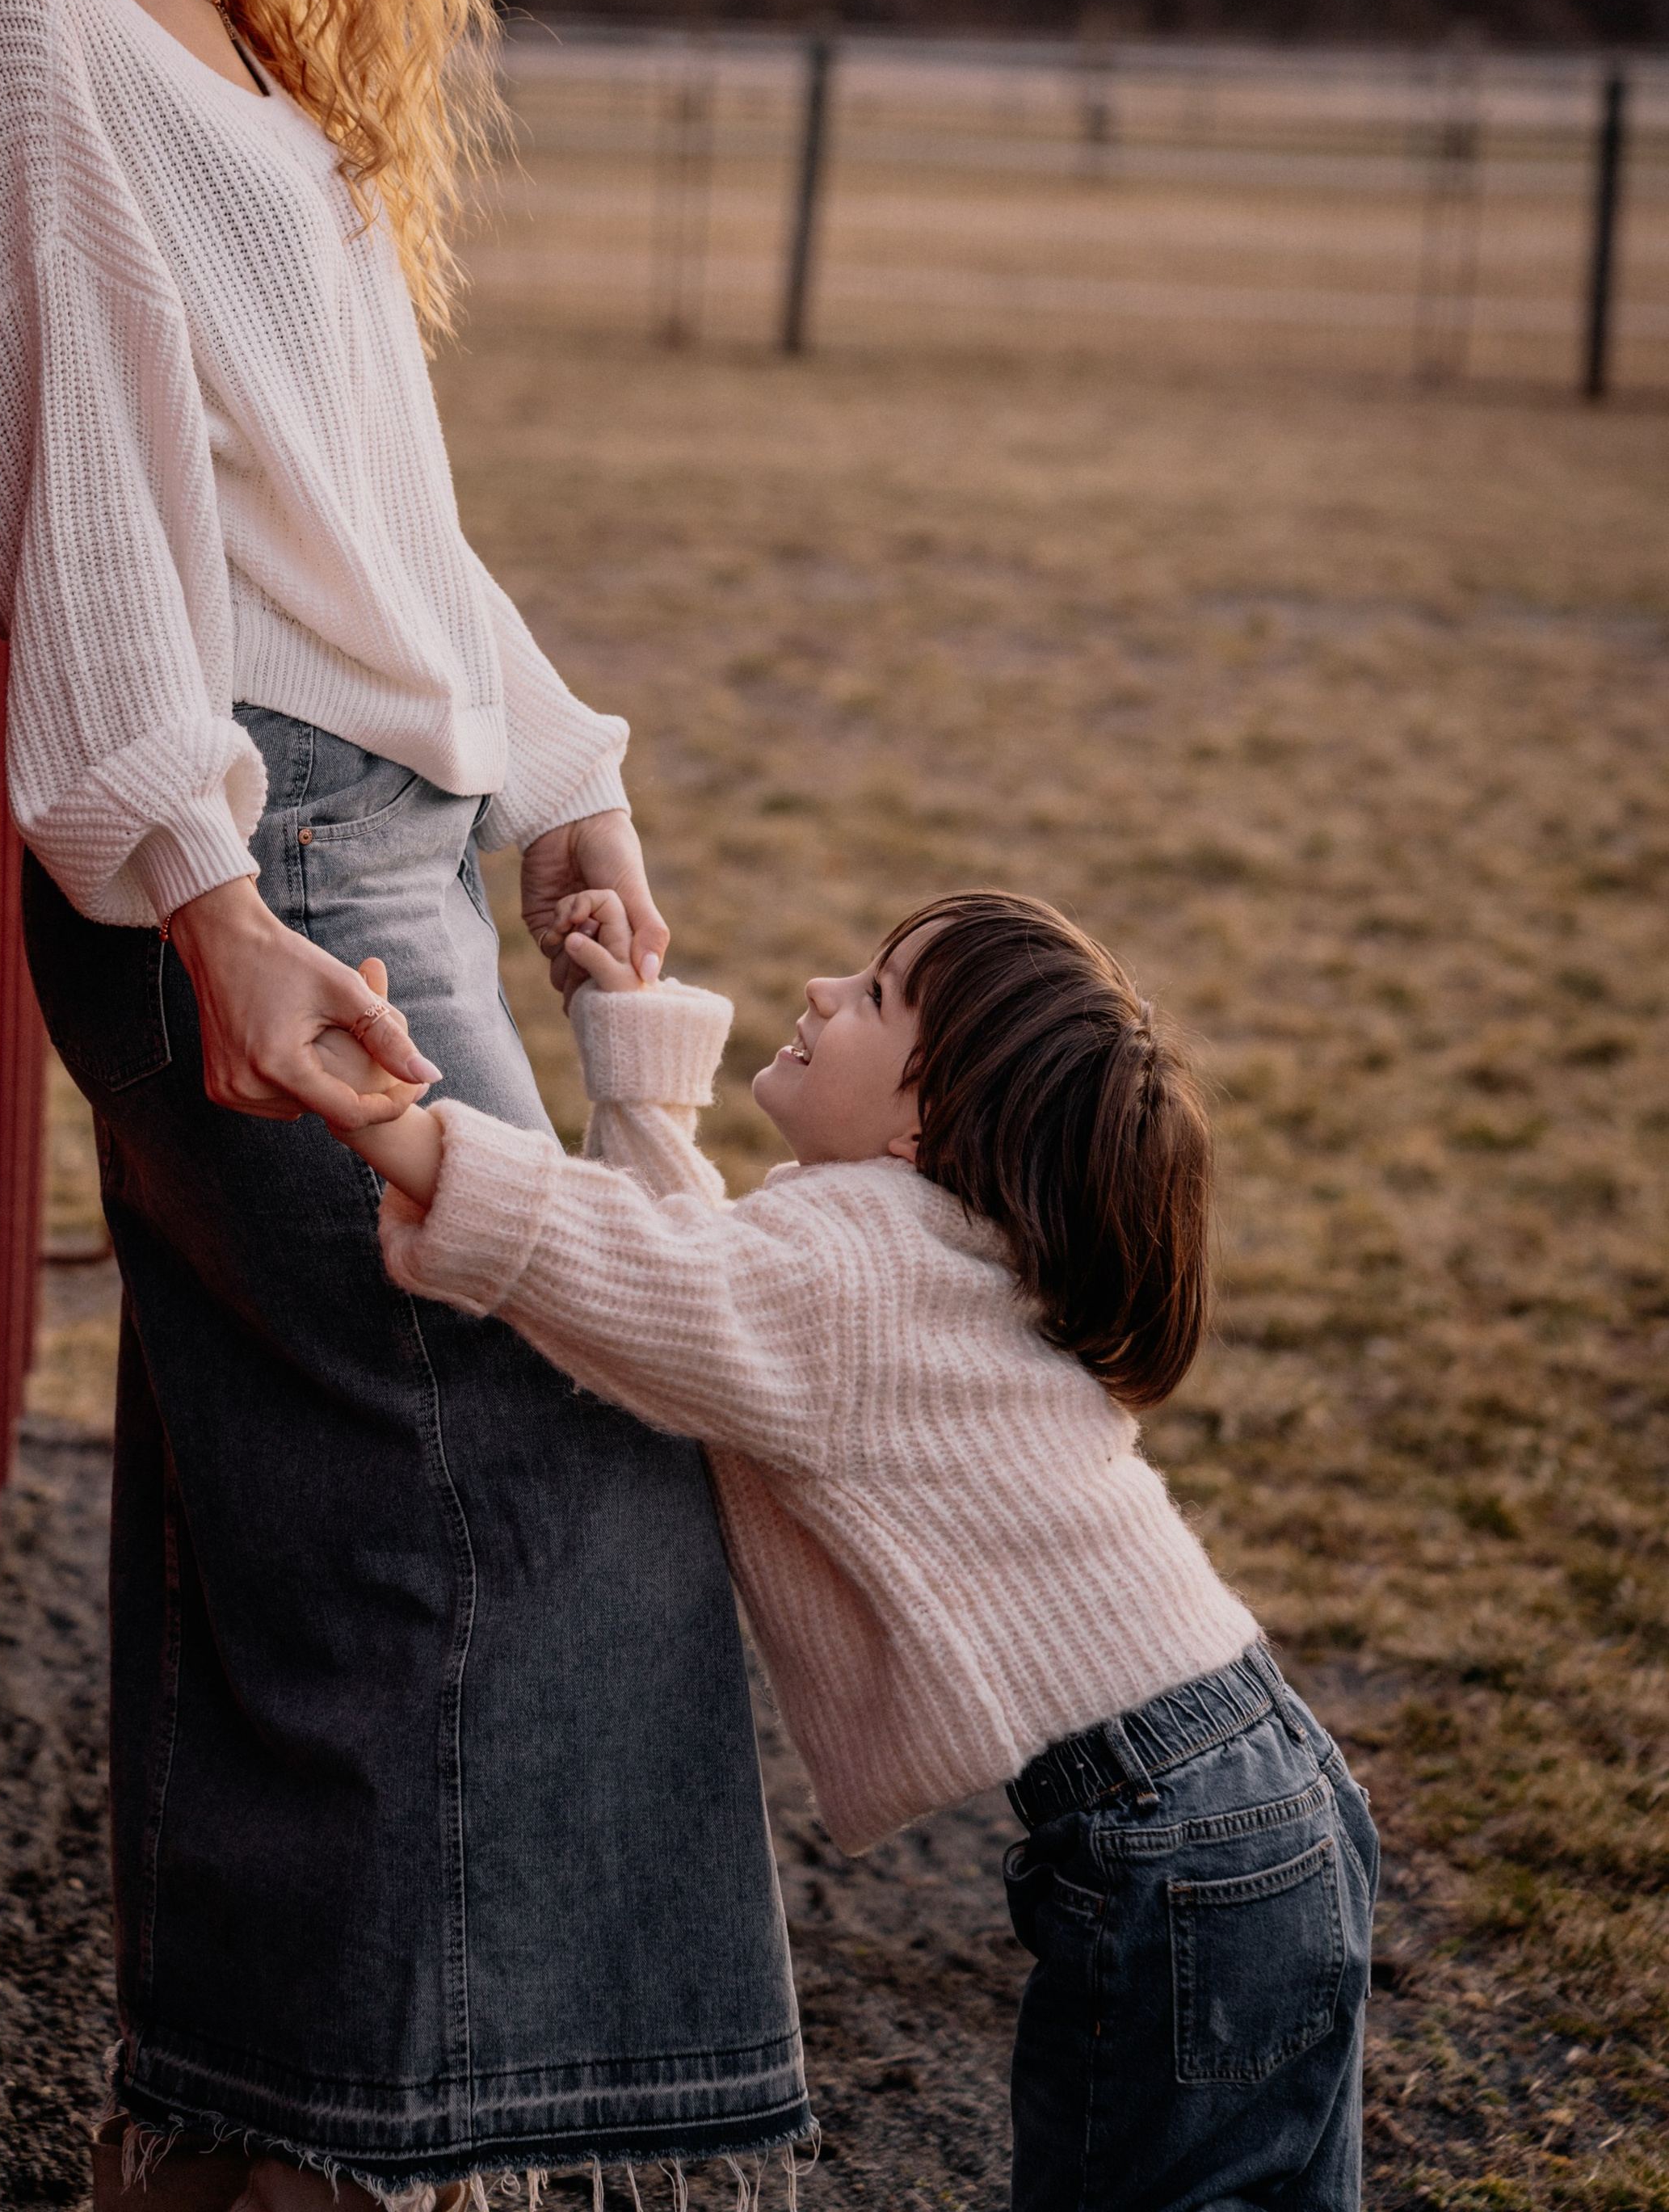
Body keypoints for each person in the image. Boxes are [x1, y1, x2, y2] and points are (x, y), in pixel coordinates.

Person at [0, 0, 807, 2211]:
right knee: (518, 1454)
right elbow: (94, 499)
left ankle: (248, 2153)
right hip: (260, 859)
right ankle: (348, 2154)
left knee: (310, 1502)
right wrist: (201, 893)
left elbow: (343, 479)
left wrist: (552, 778)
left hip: (344, 832)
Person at [338, 887, 1380, 2212]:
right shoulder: (914, 1251)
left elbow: (669, 1286)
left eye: (877, 995)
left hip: (1172, 1837)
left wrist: (408, 1138)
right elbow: (710, 1300)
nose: (826, 993)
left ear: (922, 1123)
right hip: (1264, 1786)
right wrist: (633, 1052)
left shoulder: (857, 1270)